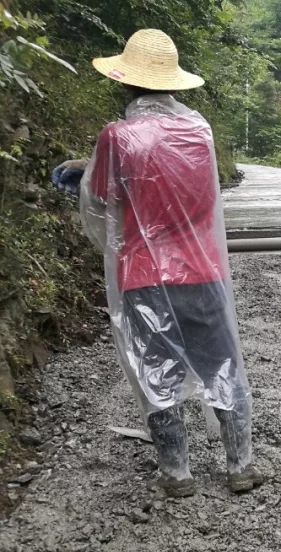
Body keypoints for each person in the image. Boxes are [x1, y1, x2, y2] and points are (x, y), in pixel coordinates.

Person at [63, 29, 261, 497]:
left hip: (144, 276)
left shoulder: (117, 136)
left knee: (156, 371)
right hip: (203, 271)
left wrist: (81, 176)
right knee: (222, 367)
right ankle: (240, 465)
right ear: (172, 83)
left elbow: (102, 200)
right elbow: (197, 197)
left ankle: (177, 473)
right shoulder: (199, 133)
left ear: (126, 82)